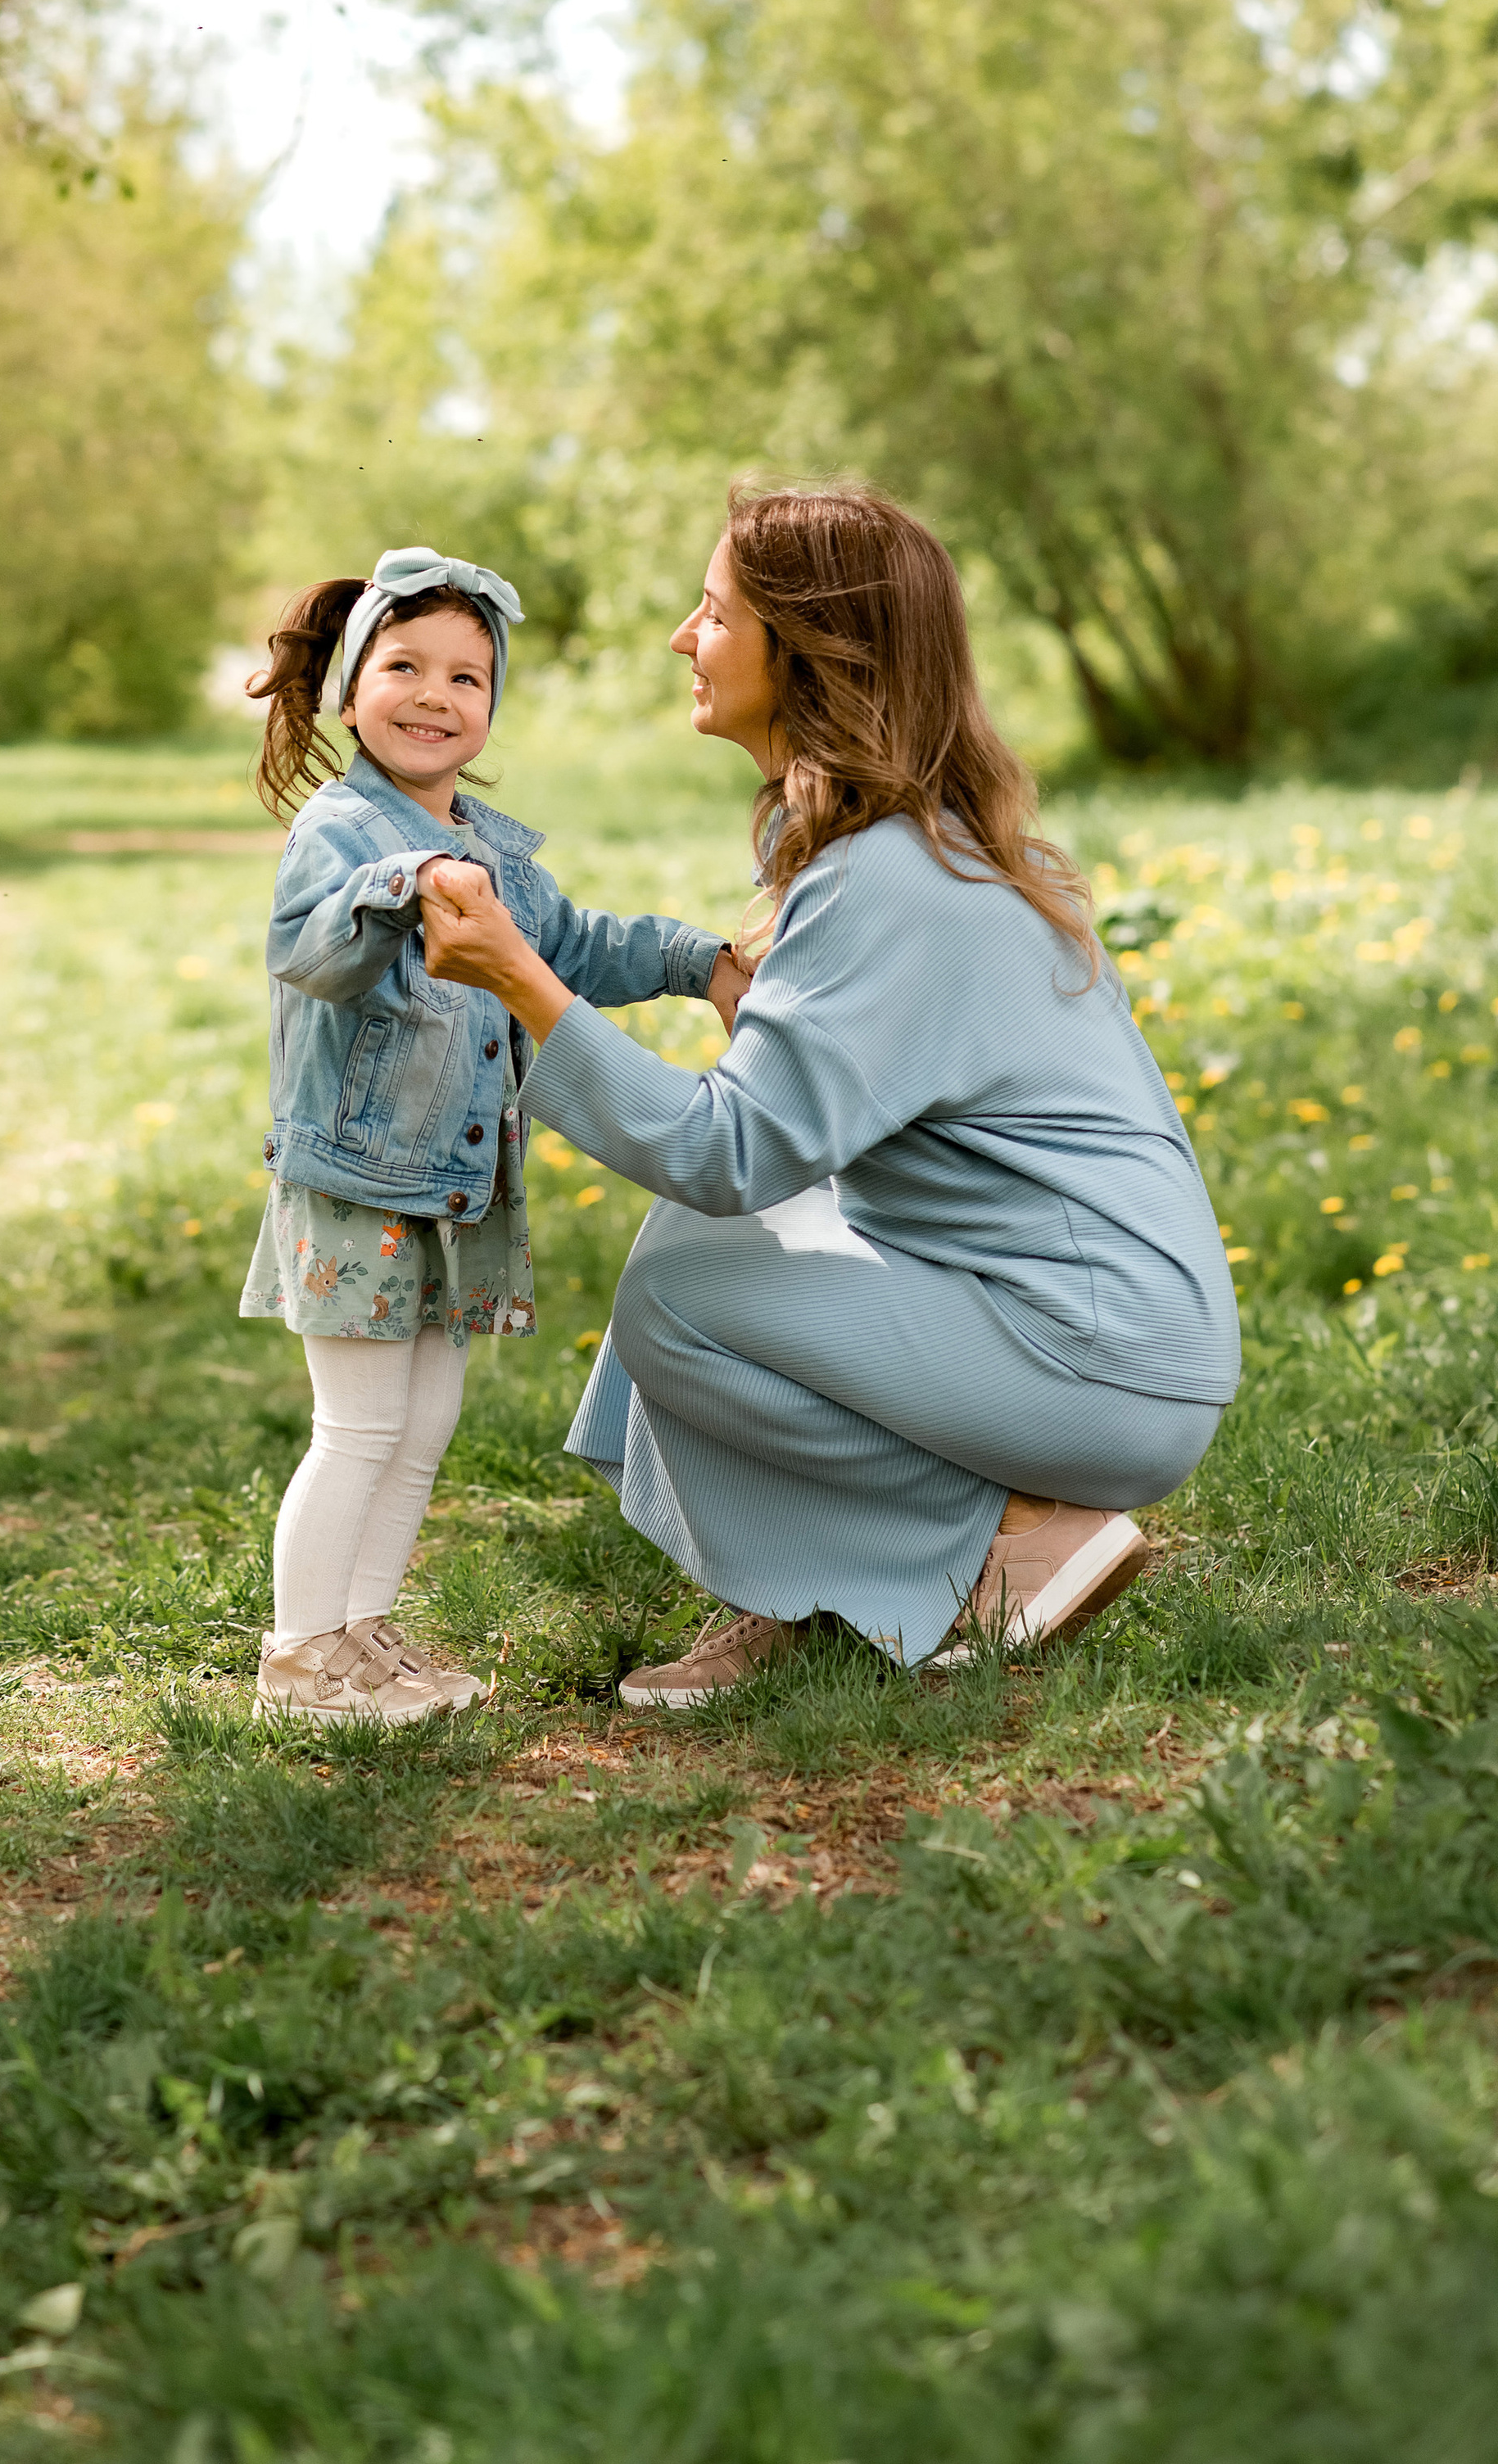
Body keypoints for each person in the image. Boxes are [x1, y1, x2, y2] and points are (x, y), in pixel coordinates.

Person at [417, 483, 1240, 1698]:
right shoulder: (902, 849)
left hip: (1100, 1355)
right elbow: (758, 1148)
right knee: (700, 1242)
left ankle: (1005, 1540)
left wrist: (525, 984)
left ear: (805, 653)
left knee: (683, 1288)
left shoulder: (887, 881)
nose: (684, 638)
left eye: (712, 612)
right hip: (1095, 1328)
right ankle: (803, 1587)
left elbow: (726, 1151)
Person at [240, 545, 745, 1722]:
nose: (434, 695)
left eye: (467, 677)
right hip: (361, 1183)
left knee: (424, 1424)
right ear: (354, 684)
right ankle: (301, 1656)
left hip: (460, 1187)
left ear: (492, 704)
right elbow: (306, 951)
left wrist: (694, 960)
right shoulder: (341, 831)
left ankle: (364, 1635)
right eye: (405, 665)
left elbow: (577, 947)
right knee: (358, 1422)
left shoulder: (496, 849)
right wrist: (400, 883)